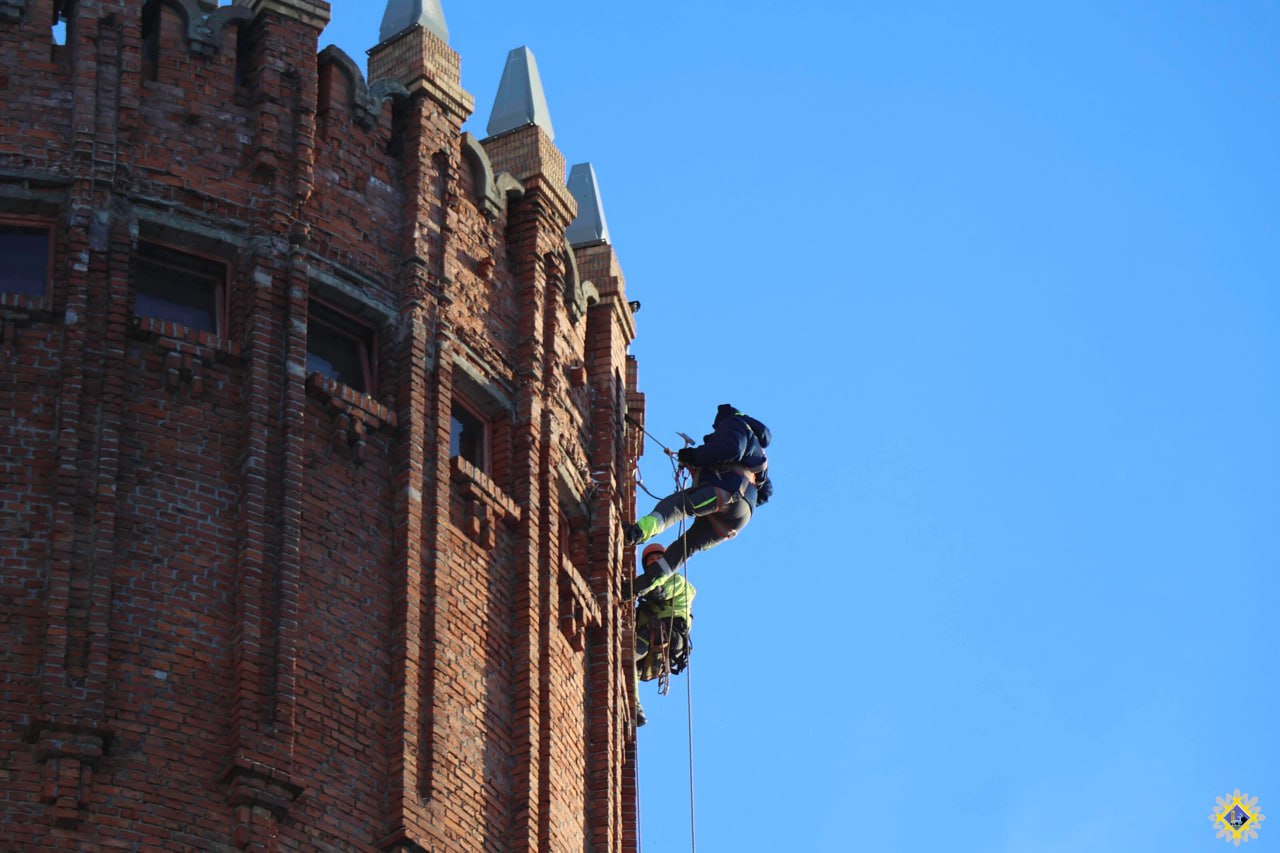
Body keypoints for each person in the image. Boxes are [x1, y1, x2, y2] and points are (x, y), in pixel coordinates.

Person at [627, 404, 772, 599]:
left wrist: (694, 457)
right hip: (735, 520)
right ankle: (638, 587)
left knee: (678, 505)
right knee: (685, 548)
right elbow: (766, 492)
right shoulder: (759, 454)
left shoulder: (734, 423)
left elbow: (730, 449)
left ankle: (638, 532)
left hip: (727, 495)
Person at [633, 543, 696, 726]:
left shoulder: (677, 581)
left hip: (668, 633)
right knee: (630, 667)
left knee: (626, 655)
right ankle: (634, 706)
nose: (654, 562)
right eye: (650, 560)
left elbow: (659, 592)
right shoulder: (643, 607)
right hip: (654, 635)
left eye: (658, 559)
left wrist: (632, 586)